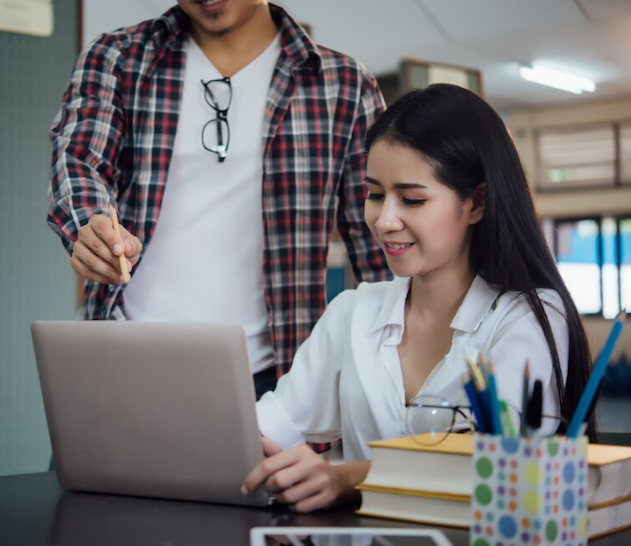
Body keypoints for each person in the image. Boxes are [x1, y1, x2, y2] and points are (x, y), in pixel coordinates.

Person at [240, 83, 596, 512]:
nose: (384, 220)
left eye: (411, 199)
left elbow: (504, 464)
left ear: (477, 203)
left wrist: (351, 478)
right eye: (375, 195)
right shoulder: (353, 312)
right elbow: (264, 429)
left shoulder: (528, 316)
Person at [47, 0, 390, 398]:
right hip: (120, 355)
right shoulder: (117, 57)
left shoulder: (345, 85)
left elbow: (379, 247)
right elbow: (79, 160)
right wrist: (89, 224)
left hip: (276, 379)